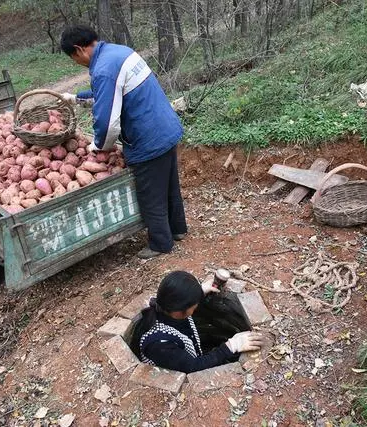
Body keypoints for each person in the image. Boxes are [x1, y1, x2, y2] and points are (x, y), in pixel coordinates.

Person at [59, 25, 187, 259]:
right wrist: (76, 97)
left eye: (73, 58)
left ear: (79, 50)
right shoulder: (118, 52)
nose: (76, 63)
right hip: (165, 126)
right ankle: (178, 229)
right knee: (169, 184)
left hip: (147, 137)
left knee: (151, 194)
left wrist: (99, 146)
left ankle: (161, 244)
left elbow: (108, 122)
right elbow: (109, 91)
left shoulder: (104, 68)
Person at [130, 271, 267, 373]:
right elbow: (193, 367)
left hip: (186, 355)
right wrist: (231, 346)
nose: (197, 308)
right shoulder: (160, 345)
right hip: (178, 367)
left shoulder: (169, 308)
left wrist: (198, 292)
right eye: (194, 306)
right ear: (180, 310)